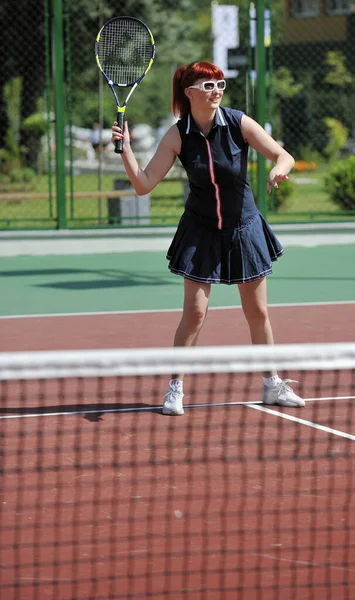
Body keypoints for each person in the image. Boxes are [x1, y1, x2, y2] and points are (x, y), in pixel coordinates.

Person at [111, 61, 305, 416]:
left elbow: (283, 154)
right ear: (189, 93)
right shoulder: (177, 135)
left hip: (243, 227)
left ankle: (272, 384)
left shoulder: (238, 122)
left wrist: (279, 168)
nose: (216, 90)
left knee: (258, 311)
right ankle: (175, 388)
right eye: (207, 85)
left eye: (220, 84)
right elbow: (143, 184)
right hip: (201, 231)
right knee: (195, 314)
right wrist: (125, 150)